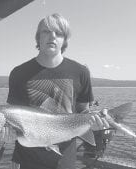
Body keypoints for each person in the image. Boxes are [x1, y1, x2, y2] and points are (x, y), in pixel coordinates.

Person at [6, 13, 109, 169]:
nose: (52, 36)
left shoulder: (80, 72)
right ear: (38, 37)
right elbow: (13, 118)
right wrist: (8, 133)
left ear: (65, 39)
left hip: (65, 161)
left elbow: (83, 112)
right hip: (25, 160)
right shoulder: (19, 73)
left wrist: (95, 124)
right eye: (46, 31)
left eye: (59, 33)